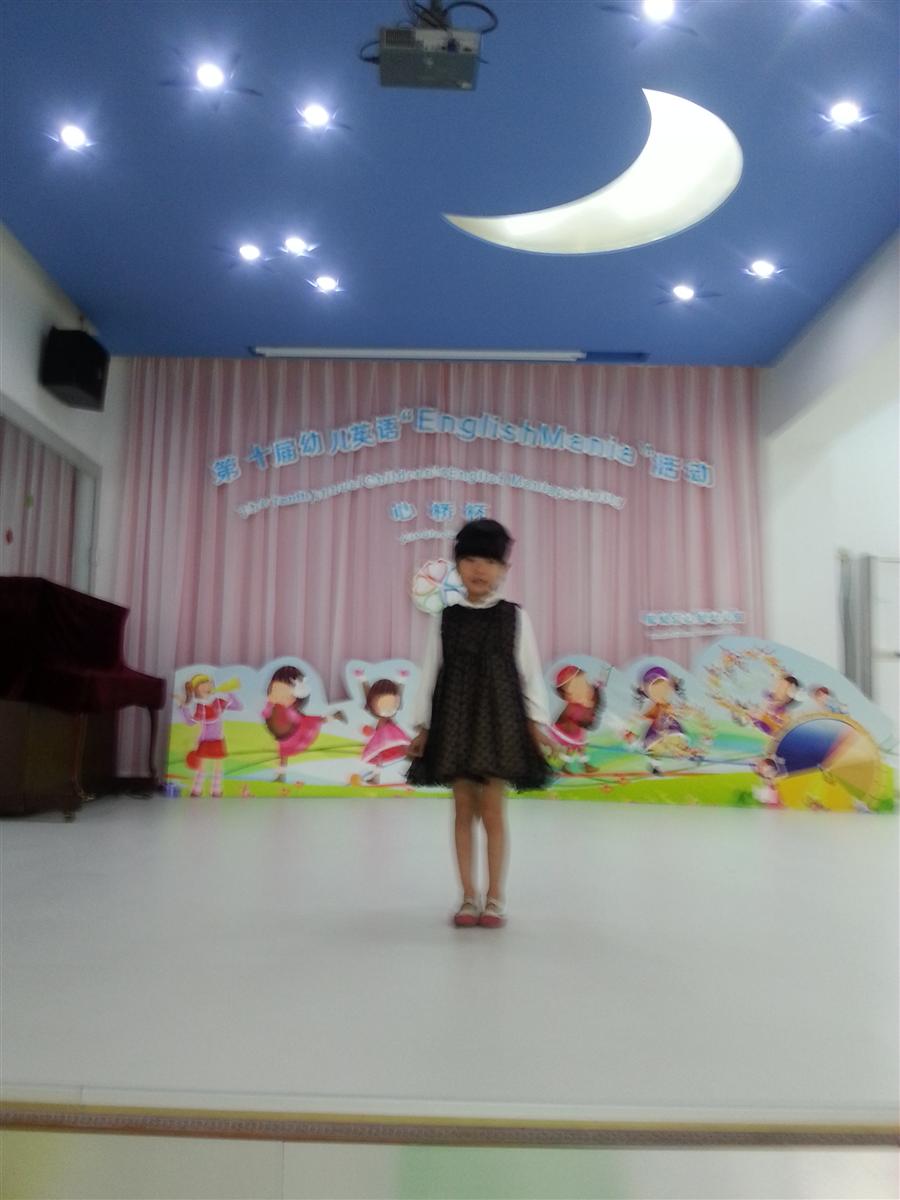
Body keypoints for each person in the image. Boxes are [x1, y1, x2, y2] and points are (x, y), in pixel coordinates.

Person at [407, 519, 554, 929]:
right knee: (462, 809)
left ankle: (495, 898)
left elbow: (529, 673)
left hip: (500, 721)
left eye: (489, 561)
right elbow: (430, 672)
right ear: (457, 565)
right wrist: (422, 727)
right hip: (455, 720)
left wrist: (536, 723)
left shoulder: (513, 617)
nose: (479, 569)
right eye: (470, 559)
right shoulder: (446, 618)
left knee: (492, 810)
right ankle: (468, 897)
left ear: (504, 569)